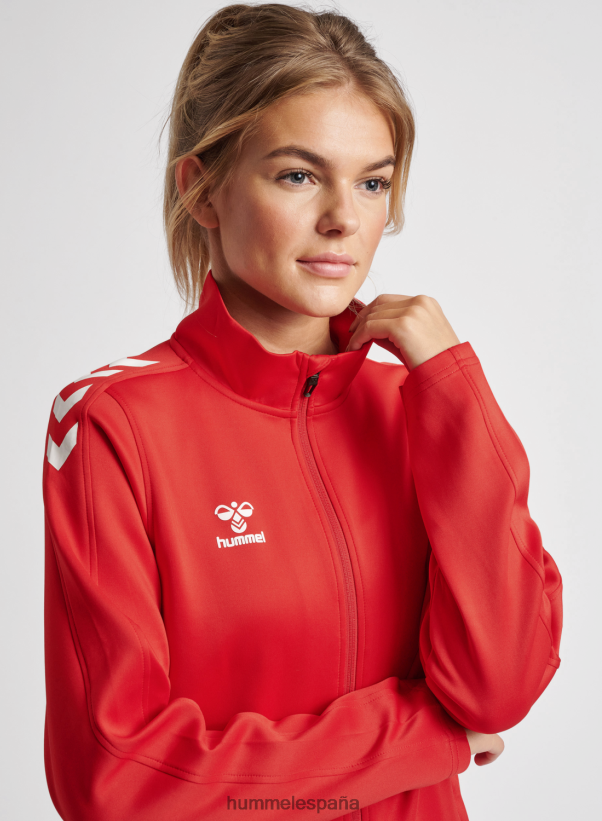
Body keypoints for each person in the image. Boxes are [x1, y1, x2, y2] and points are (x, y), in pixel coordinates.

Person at [42, 4, 563, 820]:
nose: (344, 219)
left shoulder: (416, 407)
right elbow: (120, 782)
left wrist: (455, 393)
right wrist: (424, 736)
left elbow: (498, 688)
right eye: (298, 175)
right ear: (201, 189)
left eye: (372, 182)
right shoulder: (115, 422)